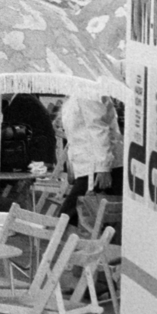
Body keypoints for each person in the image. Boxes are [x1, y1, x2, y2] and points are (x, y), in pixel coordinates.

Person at [59, 94, 122, 229]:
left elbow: (98, 129)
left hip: (95, 166)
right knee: (89, 216)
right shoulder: (76, 95)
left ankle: (65, 247)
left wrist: (103, 167)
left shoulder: (87, 94)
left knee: (68, 216)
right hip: (89, 165)